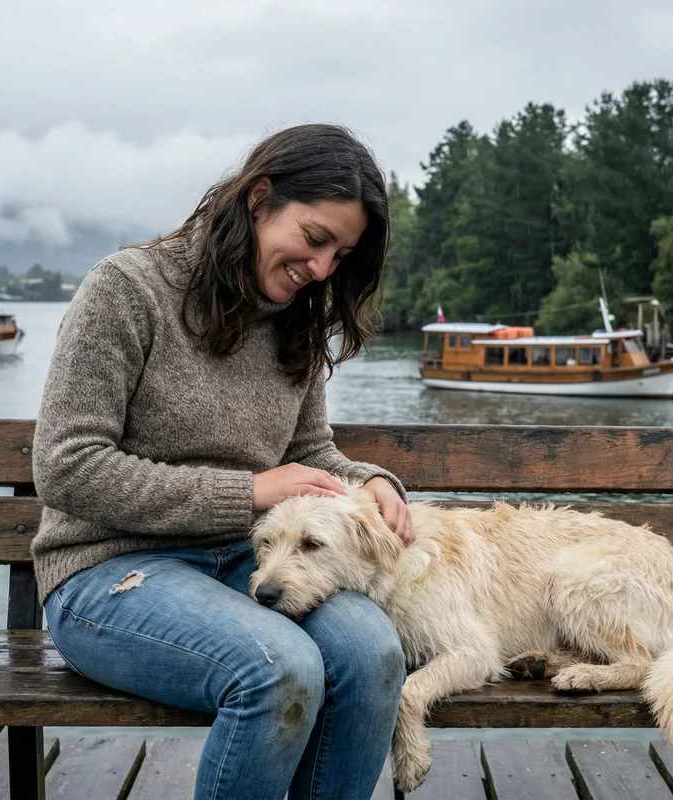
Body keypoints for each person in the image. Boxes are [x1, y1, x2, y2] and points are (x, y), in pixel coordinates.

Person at [30, 123, 413, 800]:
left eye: (341, 255)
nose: (322, 269)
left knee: (373, 654)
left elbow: (307, 454)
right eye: (315, 238)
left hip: (246, 563)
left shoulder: (296, 317)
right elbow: (67, 465)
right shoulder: (127, 289)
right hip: (107, 574)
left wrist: (371, 480)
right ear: (259, 199)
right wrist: (249, 492)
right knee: (279, 668)